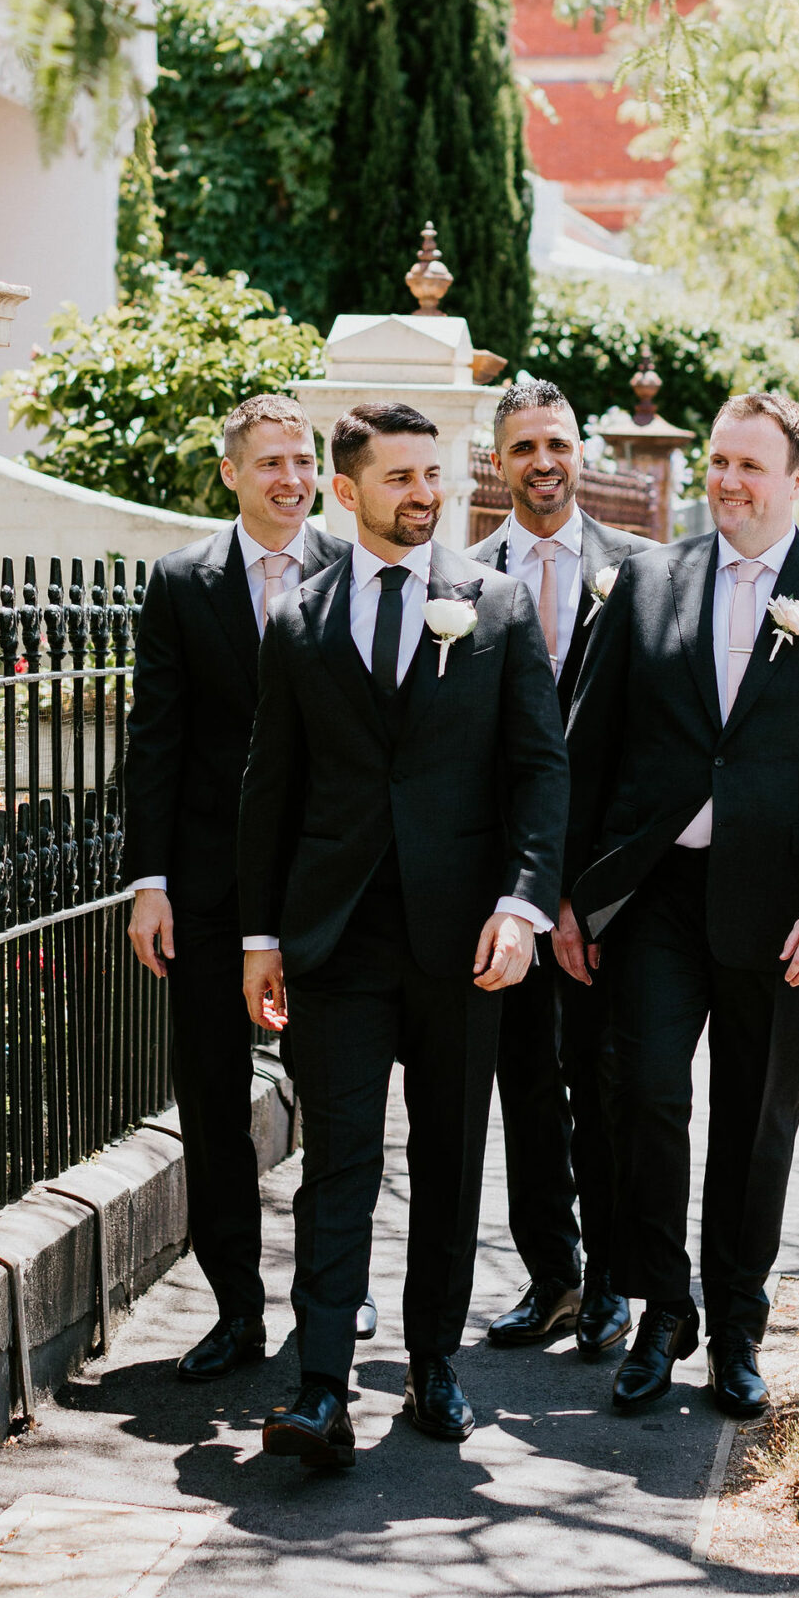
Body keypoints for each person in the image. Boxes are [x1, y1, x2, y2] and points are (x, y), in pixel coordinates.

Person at [562, 391, 799, 1423]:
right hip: (660, 894)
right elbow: (589, 743)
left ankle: (740, 1327)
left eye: (751, 466)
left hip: (785, 911)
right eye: (718, 461)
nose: (727, 481)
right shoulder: (648, 581)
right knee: (648, 1096)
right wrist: (574, 899)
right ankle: (664, 1309)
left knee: (759, 1124)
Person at [237, 401, 569, 1470]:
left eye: (436, 474)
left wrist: (522, 906)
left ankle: (434, 1365)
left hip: (462, 940)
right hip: (336, 939)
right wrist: (259, 936)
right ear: (348, 491)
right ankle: (322, 1386)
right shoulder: (300, 618)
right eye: (401, 478)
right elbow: (270, 787)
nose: (425, 494)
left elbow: (538, 773)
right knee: (337, 1161)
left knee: (448, 1156)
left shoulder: (499, 605)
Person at [121, 395, 348, 1383]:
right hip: (209, 890)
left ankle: (325, 1297)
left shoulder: (351, 572)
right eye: (271, 463)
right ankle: (235, 1310)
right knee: (212, 1102)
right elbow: (157, 739)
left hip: (326, 888)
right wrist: (151, 882)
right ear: (231, 473)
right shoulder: (182, 584)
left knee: (335, 1098)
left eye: (302, 460)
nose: (291, 479)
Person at [470, 378, 643, 1360]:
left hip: (607, 894)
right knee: (524, 1086)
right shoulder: (461, 574)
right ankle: (553, 1279)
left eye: (560, 443)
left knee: (605, 1080)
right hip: (501, 890)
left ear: (582, 452)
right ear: (499, 462)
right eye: (526, 446)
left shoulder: (644, 571)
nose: (545, 461)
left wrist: (588, 891)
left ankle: (614, 1281)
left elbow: (651, 748)